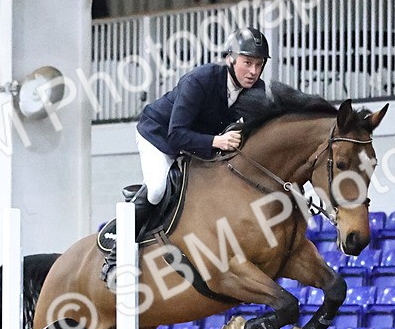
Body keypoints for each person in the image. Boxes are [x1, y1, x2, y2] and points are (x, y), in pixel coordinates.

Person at [101, 27, 270, 282]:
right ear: (230, 59)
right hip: (159, 136)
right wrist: (218, 140)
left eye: (259, 65)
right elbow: (176, 134)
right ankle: (117, 254)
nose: (253, 72)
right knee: (157, 188)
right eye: (247, 63)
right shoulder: (200, 80)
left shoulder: (256, 90)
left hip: (200, 144)